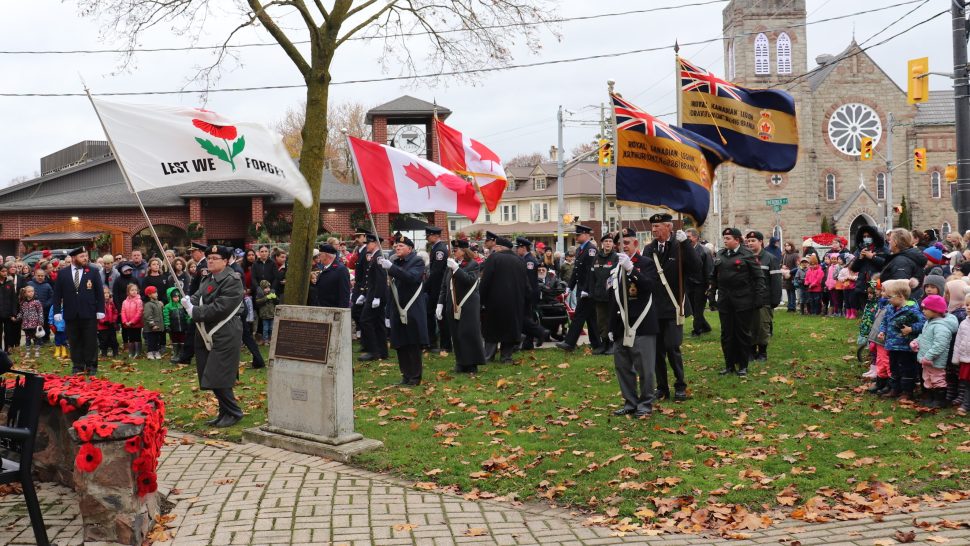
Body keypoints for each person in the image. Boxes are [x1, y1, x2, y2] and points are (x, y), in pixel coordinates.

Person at [179, 245, 245, 428]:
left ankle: (234, 412)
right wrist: (188, 302)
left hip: (224, 331)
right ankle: (224, 412)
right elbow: (198, 297)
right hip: (205, 331)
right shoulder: (208, 278)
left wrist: (195, 311)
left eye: (215, 258)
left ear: (226, 261)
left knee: (218, 374)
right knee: (210, 374)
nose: (210, 261)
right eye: (209, 258)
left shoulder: (232, 280)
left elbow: (221, 308)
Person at [642, 213, 698, 401]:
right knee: (657, 350)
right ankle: (662, 387)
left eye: (657, 226)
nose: (654, 230)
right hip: (655, 307)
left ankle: (680, 385)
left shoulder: (679, 245)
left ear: (669, 227)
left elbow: (696, 267)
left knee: (672, 347)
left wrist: (686, 245)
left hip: (674, 305)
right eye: (653, 226)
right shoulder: (649, 249)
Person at [609, 228, 659, 418]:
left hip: (642, 324)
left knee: (645, 368)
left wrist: (631, 269)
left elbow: (649, 286)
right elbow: (614, 299)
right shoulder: (616, 267)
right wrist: (611, 326)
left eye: (626, 243)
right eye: (619, 244)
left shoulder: (645, 263)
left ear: (636, 244)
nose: (622, 247)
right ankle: (630, 402)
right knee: (623, 367)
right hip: (621, 325)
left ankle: (645, 404)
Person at [710, 228, 765, 377]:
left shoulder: (747, 255)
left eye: (728, 238)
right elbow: (713, 277)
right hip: (725, 300)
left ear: (737, 240)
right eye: (724, 238)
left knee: (742, 333)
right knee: (726, 334)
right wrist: (711, 296)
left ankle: (743, 365)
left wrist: (759, 297)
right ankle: (729, 365)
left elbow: (759, 277)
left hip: (743, 300)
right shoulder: (720, 254)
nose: (725, 241)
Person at [379, 235, 429, 386]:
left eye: (401, 246)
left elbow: (411, 277)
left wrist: (391, 268)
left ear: (410, 248)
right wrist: (388, 313)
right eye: (396, 246)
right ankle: (406, 375)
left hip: (412, 309)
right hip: (397, 308)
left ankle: (415, 376)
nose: (397, 248)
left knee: (412, 343)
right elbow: (392, 289)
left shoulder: (417, 261)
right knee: (400, 344)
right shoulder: (396, 262)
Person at [51, 247, 106, 375]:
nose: (85, 258)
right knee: (74, 340)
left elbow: (99, 292)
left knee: (90, 340)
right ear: (74, 258)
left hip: (89, 312)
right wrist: (57, 311)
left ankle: (91, 365)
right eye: (82, 256)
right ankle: (78, 365)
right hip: (71, 313)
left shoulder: (93, 271)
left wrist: (100, 309)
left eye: (86, 256)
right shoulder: (63, 273)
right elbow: (57, 294)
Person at [436, 239, 485, 373]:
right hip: (452, 304)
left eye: (456, 250)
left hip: (468, 304)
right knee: (456, 334)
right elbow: (444, 286)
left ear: (464, 251)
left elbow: (469, 280)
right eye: (453, 250)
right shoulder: (451, 265)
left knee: (468, 333)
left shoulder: (473, 264)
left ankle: (472, 363)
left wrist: (456, 269)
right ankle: (461, 362)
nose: (453, 252)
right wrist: (440, 303)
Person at [481, 237, 529, 363]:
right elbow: (526, 283)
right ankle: (506, 356)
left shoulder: (493, 258)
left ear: (500, 247)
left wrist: (481, 298)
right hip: (515, 301)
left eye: (496, 246)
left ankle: (488, 356)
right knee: (510, 328)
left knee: (492, 328)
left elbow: (486, 280)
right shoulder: (520, 260)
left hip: (495, 300)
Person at [877, 278, 925, 400]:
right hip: (892, 345)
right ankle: (895, 388)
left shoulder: (912, 309)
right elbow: (885, 321)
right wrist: (882, 331)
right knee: (894, 368)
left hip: (905, 346)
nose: (888, 299)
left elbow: (923, 323)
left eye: (890, 297)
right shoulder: (890, 308)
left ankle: (907, 391)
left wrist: (911, 329)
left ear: (901, 296)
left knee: (906, 369)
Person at [557, 225, 602, 352]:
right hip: (582, 289)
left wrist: (587, 289)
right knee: (591, 318)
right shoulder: (579, 250)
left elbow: (591, 272)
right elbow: (576, 271)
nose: (576, 237)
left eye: (579, 235)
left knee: (579, 316)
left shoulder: (591, 249)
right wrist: (569, 287)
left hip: (587, 290)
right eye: (576, 235)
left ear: (587, 235)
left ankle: (569, 343)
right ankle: (597, 344)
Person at [911, 294, 958, 408]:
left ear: (936, 310)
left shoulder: (941, 327)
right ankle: (930, 397)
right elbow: (924, 336)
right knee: (927, 378)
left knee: (937, 379)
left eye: (926, 309)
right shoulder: (929, 322)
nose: (923, 311)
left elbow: (940, 344)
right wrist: (916, 342)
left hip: (935, 360)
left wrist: (929, 356)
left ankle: (940, 400)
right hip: (926, 359)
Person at [745, 231, 781, 362]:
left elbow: (776, 281)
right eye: (748, 241)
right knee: (749, 325)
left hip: (764, 299)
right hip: (747, 298)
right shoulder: (745, 257)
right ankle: (750, 351)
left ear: (760, 241)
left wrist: (775, 300)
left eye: (753, 241)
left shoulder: (770, 258)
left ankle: (762, 352)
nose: (750, 243)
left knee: (762, 326)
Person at [358, 232, 388, 361]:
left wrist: (377, 297)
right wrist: (364, 294)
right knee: (378, 323)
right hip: (372, 294)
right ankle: (382, 351)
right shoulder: (375, 256)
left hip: (376, 295)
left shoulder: (378, 257)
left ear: (375, 243)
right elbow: (370, 278)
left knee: (366, 321)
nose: (366, 245)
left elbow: (381, 278)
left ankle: (373, 351)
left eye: (368, 243)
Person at [516, 237, 550, 350]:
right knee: (527, 318)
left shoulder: (529, 261)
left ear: (523, 248)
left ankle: (540, 333)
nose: (517, 250)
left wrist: (526, 295)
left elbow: (529, 280)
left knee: (524, 318)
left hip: (529, 294)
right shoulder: (525, 259)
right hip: (528, 293)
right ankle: (529, 342)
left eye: (518, 247)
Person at [589, 234, 619, 355]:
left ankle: (612, 344)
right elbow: (592, 277)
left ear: (613, 244)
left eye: (610, 241)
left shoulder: (616, 257)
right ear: (602, 243)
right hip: (598, 295)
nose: (608, 243)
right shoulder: (596, 258)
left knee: (611, 319)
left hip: (611, 295)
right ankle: (604, 344)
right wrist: (592, 292)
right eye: (606, 241)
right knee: (601, 321)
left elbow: (615, 276)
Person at [880, 228, 927, 300]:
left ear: (895, 242)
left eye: (890, 240)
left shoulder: (901, 261)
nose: (889, 242)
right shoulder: (905, 257)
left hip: (898, 302)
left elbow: (900, 290)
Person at [424, 226, 450, 352]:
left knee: (440, 316)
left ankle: (443, 344)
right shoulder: (436, 248)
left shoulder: (440, 249)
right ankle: (433, 342)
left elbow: (436, 272)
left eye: (428, 236)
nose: (427, 238)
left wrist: (425, 286)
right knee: (433, 314)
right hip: (435, 287)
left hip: (438, 287)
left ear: (435, 236)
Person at [687, 229, 713, 336]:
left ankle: (697, 330)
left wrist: (709, 285)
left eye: (688, 237)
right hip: (689, 284)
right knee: (692, 308)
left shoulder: (704, 251)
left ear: (695, 237)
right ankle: (706, 326)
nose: (686, 239)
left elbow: (709, 269)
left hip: (701, 284)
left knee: (698, 308)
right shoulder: (684, 250)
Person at [950, 294, 970, 415]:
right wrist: (956, 358)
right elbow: (958, 342)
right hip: (966, 359)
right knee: (967, 384)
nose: (969, 307)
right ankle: (966, 404)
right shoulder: (963, 324)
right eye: (967, 305)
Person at [313, 244, 351, 308]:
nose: (319, 257)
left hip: (332, 309)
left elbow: (344, 294)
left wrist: (341, 311)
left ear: (326, 255)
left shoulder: (341, 270)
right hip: (321, 308)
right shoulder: (324, 267)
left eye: (320, 254)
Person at [164, 286, 192, 365]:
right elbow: (166, 316)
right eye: (174, 297)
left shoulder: (181, 305)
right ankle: (175, 354)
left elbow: (186, 314)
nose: (177, 298)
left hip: (183, 327)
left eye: (178, 296)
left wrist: (188, 321)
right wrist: (167, 325)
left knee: (182, 340)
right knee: (175, 341)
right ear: (170, 297)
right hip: (174, 328)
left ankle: (182, 354)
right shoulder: (167, 307)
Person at [16, 286, 44, 359]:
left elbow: (40, 312)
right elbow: (21, 312)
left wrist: (40, 322)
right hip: (26, 325)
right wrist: (17, 318)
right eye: (29, 291)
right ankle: (28, 352)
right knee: (27, 338)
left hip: (35, 324)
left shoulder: (37, 302)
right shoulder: (23, 303)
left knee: (36, 338)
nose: (31, 293)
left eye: (32, 291)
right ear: (25, 293)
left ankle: (37, 351)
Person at [121, 283, 144, 359]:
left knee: (137, 337)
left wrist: (132, 321)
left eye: (135, 290)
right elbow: (123, 312)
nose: (134, 291)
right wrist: (125, 322)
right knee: (130, 337)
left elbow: (139, 312)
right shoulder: (125, 302)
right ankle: (131, 352)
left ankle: (138, 352)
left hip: (136, 324)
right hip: (128, 324)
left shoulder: (139, 301)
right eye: (132, 290)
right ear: (128, 292)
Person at [142, 285, 165, 360]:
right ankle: (150, 352)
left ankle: (156, 351)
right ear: (149, 295)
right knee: (151, 340)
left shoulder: (158, 303)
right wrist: (152, 325)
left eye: (156, 292)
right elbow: (148, 316)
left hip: (158, 327)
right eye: (154, 293)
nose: (156, 294)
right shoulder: (148, 304)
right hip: (151, 328)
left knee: (157, 340)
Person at [0, 266, 19, 353]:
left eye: (5, 271)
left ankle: (7, 350)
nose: (5, 273)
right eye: (2, 271)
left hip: (8, 313)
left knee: (8, 332)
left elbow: (14, 299)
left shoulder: (10, 283)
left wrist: (13, 313)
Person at [98, 287, 120, 358]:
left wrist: (113, 320)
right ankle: (104, 352)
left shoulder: (111, 303)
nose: (106, 294)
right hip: (102, 326)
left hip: (111, 325)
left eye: (108, 293)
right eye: (104, 293)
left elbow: (115, 312)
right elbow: (98, 314)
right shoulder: (99, 303)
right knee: (104, 340)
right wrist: (103, 321)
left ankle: (115, 352)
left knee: (113, 339)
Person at [255, 280, 278, 345]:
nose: (268, 289)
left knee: (271, 328)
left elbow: (277, 301)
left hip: (271, 314)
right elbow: (258, 302)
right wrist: (266, 298)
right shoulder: (260, 295)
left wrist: (275, 297)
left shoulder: (272, 293)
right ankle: (265, 340)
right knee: (265, 329)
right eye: (266, 288)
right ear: (262, 288)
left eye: (268, 287)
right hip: (264, 315)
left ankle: (271, 339)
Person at [781, 242, 800, 312]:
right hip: (785, 275)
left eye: (788, 245)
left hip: (792, 276)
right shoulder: (784, 255)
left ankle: (792, 307)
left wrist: (790, 272)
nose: (787, 247)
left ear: (791, 246)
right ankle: (789, 307)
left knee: (792, 292)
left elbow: (798, 266)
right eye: (786, 246)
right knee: (788, 291)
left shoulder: (795, 255)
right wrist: (782, 266)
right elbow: (781, 263)